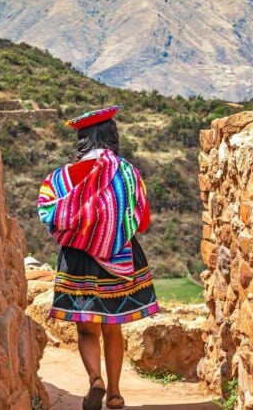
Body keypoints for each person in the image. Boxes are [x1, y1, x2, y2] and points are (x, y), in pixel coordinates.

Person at [37, 106, 159, 410]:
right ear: (112, 137)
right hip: (120, 258)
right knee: (112, 325)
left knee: (86, 327)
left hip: (77, 261)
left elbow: (48, 213)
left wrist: (85, 230)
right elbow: (142, 220)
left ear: (82, 140)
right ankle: (115, 394)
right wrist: (112, 229)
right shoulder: (128, 173)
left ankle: (95, 379)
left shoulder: (60, 177)